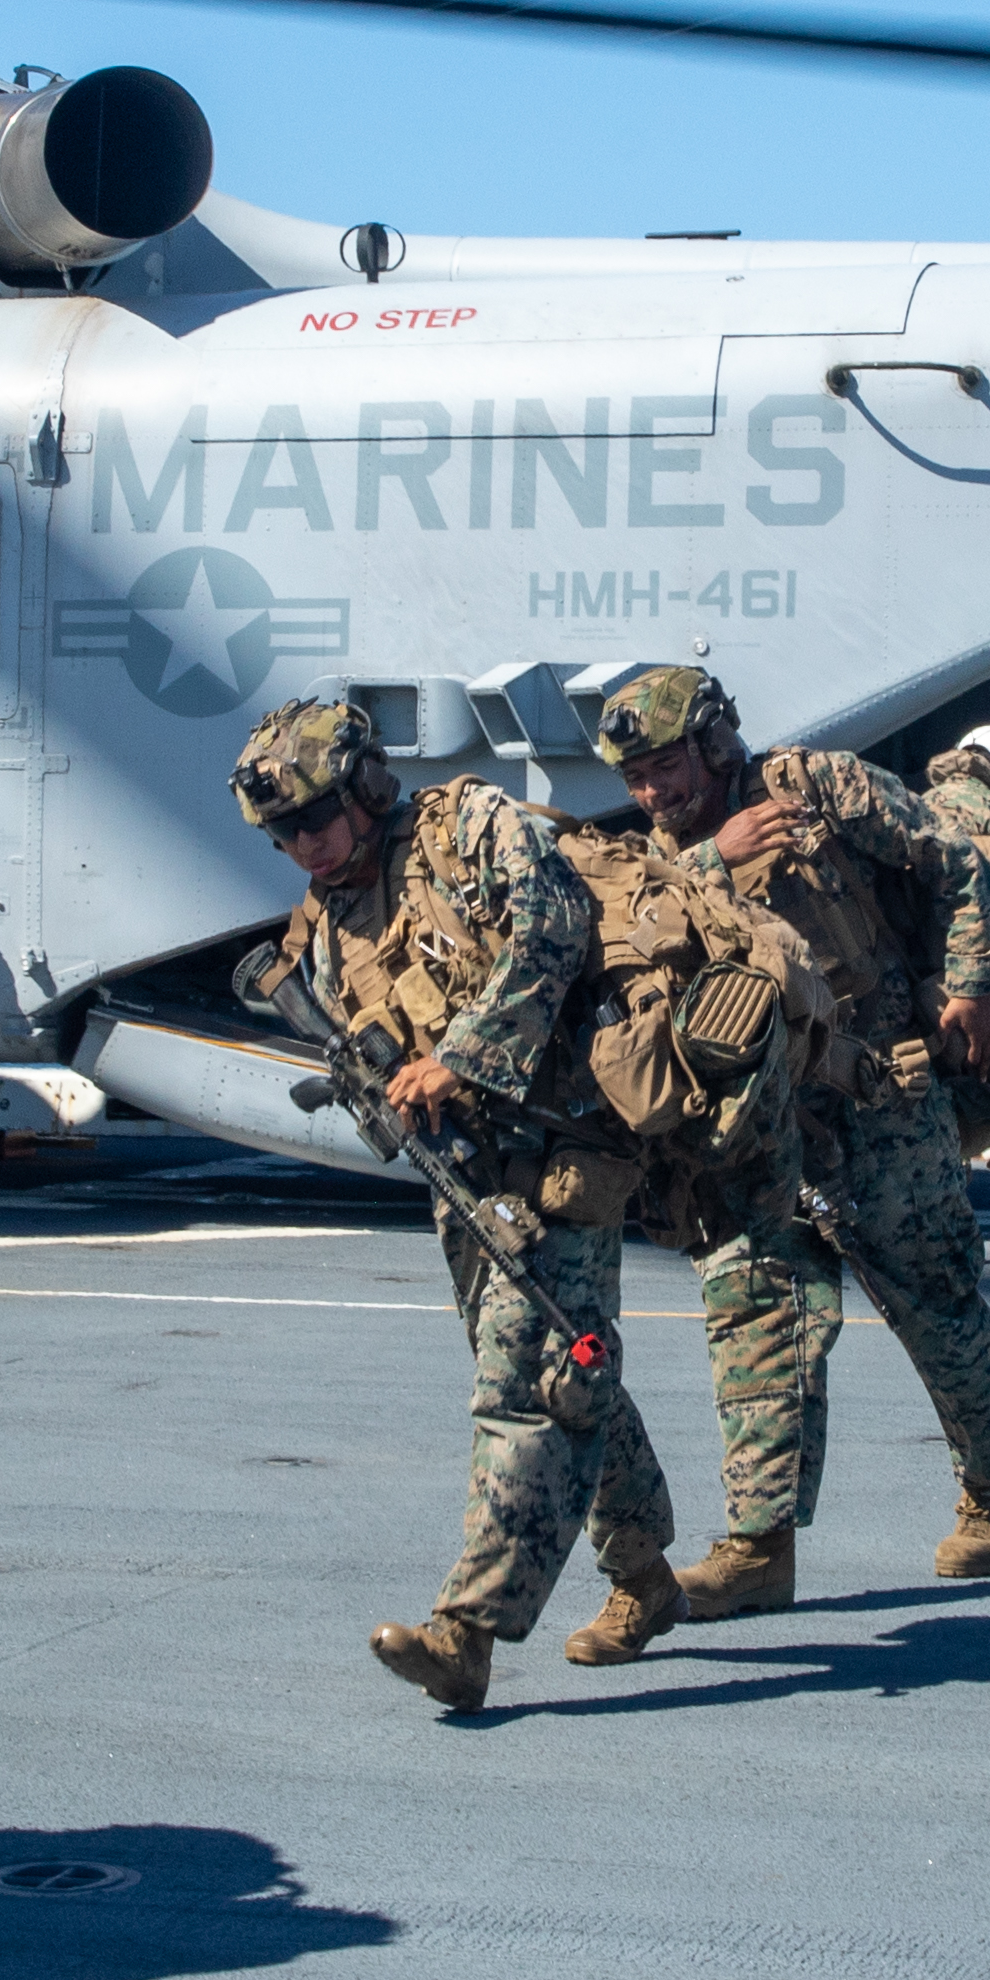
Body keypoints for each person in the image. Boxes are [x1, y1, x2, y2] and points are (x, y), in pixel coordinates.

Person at [235, 694, 684, 1710]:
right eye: (283, 833)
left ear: (362, 787)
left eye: (314, 819)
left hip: (564, 1142)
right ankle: (647, 1578)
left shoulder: (465, 826)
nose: (302, 844)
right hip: (470, 1180)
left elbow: (555, 921)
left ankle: (467, 1632)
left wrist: (463, 1057)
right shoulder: (324, 926)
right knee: (574, 1373)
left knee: (530, 1385)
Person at [590, 660, 990, 1616]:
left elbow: (956, 865)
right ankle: (760, 1546)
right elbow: (623, 934)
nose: (651, 791)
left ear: (716, 742)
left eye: (667, 766)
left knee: (939, 1310)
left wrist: (972, 985)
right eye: (635, 778)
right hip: (755, 1123)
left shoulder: (818, 786)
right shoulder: (659, 854)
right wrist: (718, 852)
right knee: (756, 1320)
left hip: (882, 1101)